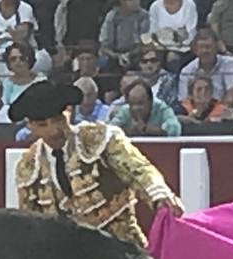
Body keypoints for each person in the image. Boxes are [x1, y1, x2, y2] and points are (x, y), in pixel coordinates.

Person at [10, 79, 183, 248]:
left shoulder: (101, 139)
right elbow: (30, 226)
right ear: (30, 126)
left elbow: (138, 169)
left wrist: (159, 194)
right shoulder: (28, 166)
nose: (53, 130)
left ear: (68, 112)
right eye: (43, 125)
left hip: (119, 249)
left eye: (58, 119)